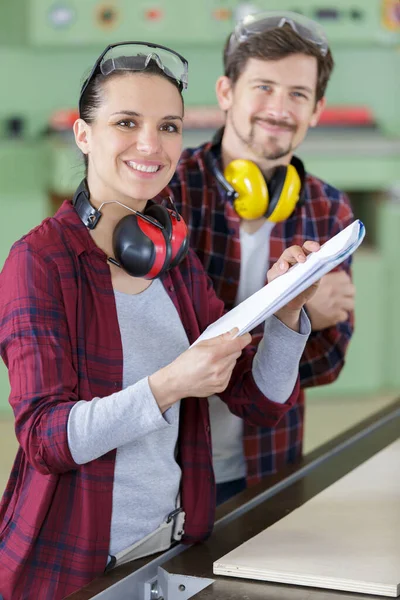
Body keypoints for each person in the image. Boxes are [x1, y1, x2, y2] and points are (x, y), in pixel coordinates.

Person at [0, 41, 319, 599]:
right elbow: (45, 438)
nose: (151, 144)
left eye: (169, 126)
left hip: (173, 546)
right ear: (84, 135)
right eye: (127, 122)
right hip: (78, 565)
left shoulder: (173, 258)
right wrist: (170, 384)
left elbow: (258, 400)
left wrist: (287, 313)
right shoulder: (39, 262)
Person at [168, 11, 356, 504]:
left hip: (267, 464)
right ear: (226, 92)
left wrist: (291, 336)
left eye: (298, 93)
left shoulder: (328, 207)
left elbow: (330, 361)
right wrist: (295, 315)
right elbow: (152, 345)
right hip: (168, 465)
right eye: (263, 87)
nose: (279, 108)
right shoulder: (168, 193)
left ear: (317, 109)